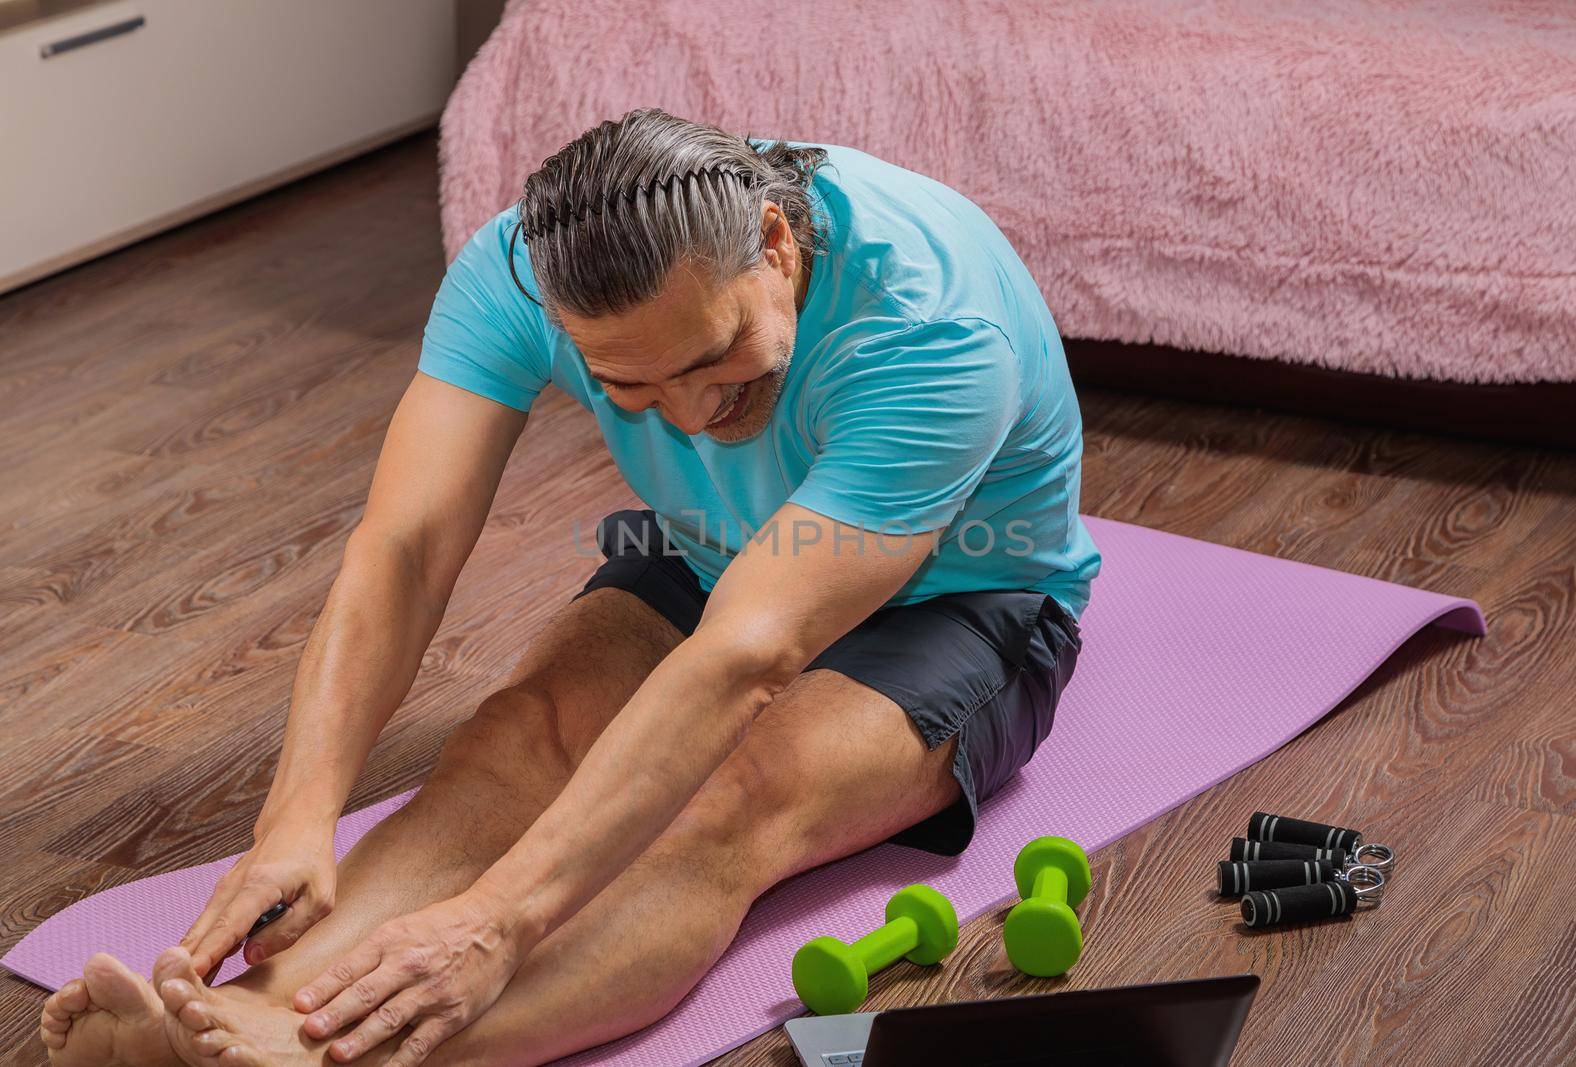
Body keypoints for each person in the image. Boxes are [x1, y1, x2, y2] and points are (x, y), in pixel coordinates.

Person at [39, 106, 1100, 1067]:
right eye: (630, 389)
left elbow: (750, 651)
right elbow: (404, 546)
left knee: (725, 799)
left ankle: (327, 1060)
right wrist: (297, 816)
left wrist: (498, 916)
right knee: (512, 738)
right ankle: (241, 1023)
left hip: (964, 597)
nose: (689, 416)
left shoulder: (927, 328)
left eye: (718, 360)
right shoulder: (515, 269)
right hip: (713, 547)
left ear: (775, 249)